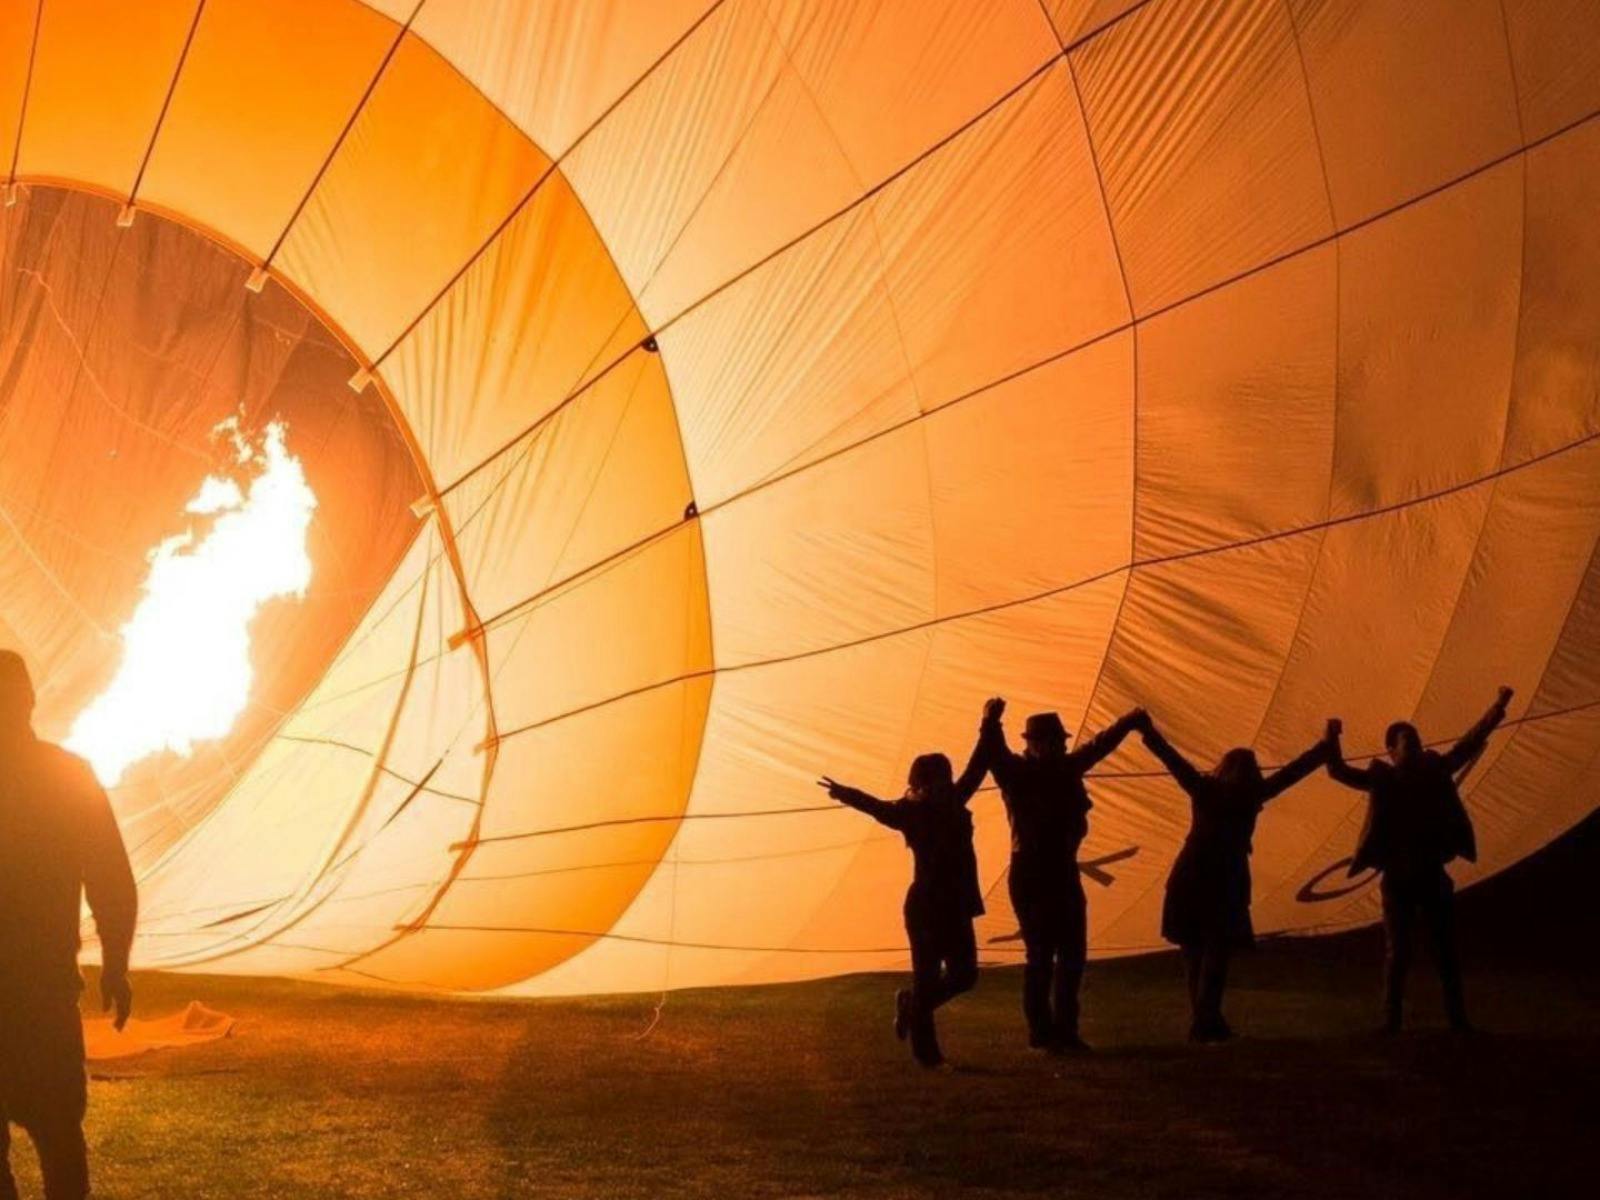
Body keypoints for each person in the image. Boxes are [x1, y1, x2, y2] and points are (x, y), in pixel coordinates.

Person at [0, 650, 137, 1200]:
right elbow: (112, 880)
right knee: (59, 1136)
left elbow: (111, 880)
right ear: (31, 699)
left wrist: (117, 964)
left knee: (55, 1137)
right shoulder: (68, 775)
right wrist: (116, 967)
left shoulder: (70, 775)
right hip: (44, 991)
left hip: (40, 990)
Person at [1324, 686, 1513, 1034]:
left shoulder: (1436, 770)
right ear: (1391, 750)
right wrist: (1331, 736)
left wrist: (1498, 707)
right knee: (1399, 954)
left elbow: (1471, 742)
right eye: (1405, 740)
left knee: (1445, 952)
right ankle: (1391, 1020)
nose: (1413, 743)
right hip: (1398, 878)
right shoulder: (1381, 778)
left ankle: (1457, 1019)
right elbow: (1338, 771)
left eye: (1415, 738)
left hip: (1430, 873)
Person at [1135, 713, 1332, 1042]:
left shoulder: (1206, 789)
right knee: (1213, 951)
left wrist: (1147, 732)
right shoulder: (1250, 794)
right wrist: (1324, 748)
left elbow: (1172, 760)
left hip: (1192, 877)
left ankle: (1206, 1019)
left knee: (1196, 952)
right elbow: (1292, 773)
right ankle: (1206, 1020)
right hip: (1223, 880)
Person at [978, 696, 1144, 1052]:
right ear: (1033, 745)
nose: (1056, 747)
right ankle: (1043, 1032)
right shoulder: (1017, 774)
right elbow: (995, 752)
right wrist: (990, 722)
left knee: (1071, 954)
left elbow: (1099, 746)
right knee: (1041, 955)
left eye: (1059, 742)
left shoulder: (1063, 768)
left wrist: (1127, 722)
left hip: (1058, 870)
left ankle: (1063, 1031)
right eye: (1050, 742)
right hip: (1033, 872)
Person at [819, 725, 988, 1069]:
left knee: (965, 975)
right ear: (923, 783)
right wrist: (843, 793)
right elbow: (875, 807)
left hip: (956, 904)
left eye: (947, 777)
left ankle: (911, 1004)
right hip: (926, 907)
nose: (946, 783)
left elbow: (978, 765)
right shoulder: (909, 812)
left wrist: (991, 724)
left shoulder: (956, 800)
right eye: (939, 778)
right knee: (927, 978)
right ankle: (928, 1056)